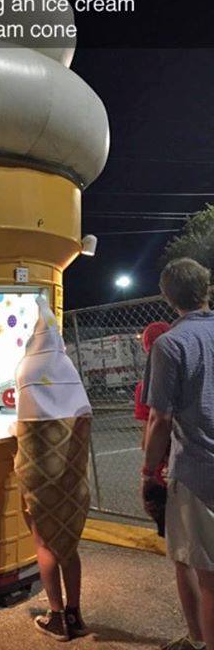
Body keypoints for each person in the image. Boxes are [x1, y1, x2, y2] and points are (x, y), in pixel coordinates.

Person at [142, 258, 214, 650]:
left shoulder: (170, 343)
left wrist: (149, 468)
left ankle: (199, 639)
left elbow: (160, 417)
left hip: (198, 472)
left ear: (168, 298)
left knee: (202, 571)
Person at [13, 295, 92, 641]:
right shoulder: (68, 368)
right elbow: (84, 416)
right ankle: (75, 614)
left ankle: (56, 616)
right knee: (69, 545)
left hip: (37, 474)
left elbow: (24, 424)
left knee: (44, 542)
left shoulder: (26, 369)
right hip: (71, 479)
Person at [134, 321, 171, 536]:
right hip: (196, 461)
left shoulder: (144, 386)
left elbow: (150, 429)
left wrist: (147, 472)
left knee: (177, 541)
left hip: (163, 468)